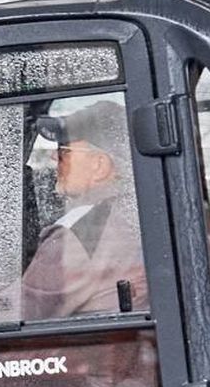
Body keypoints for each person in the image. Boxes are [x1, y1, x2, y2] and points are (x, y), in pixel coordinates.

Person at [22, 100, 148, 320]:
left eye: (64, 150)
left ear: (99, 166)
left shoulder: (81, 233)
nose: (54, 157)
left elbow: (18, 312)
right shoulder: (140, 215)